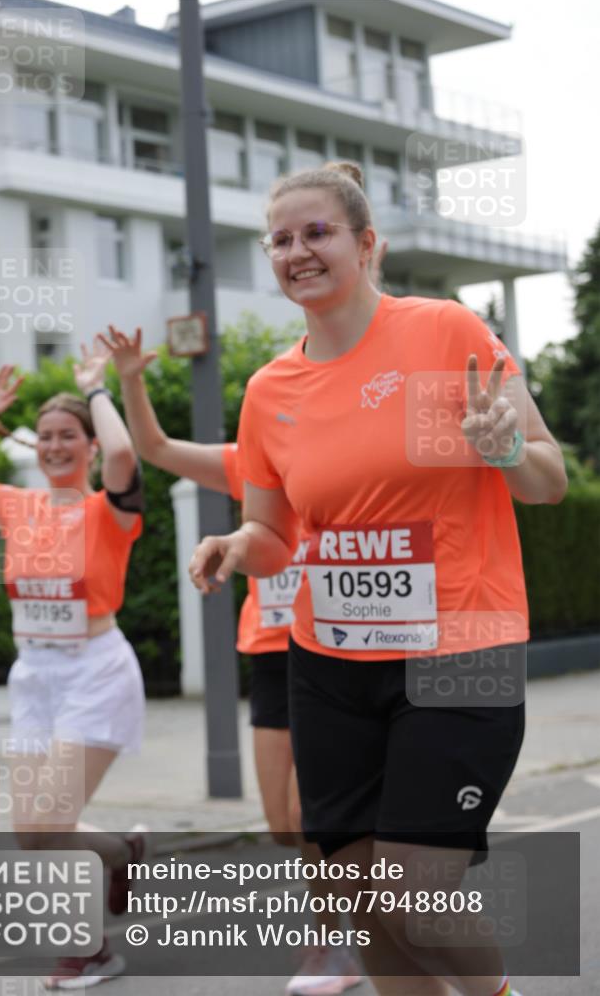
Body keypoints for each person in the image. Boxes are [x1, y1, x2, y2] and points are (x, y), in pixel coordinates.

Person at [189, 161, 567, 996]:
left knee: (417, 890)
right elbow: (273, 534)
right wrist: (232, 545)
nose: (297, 252)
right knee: (350, 889)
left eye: (317, 232)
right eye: (280, 240)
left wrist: (502, 447)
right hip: (329, 661)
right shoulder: (268, 390)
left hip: (459, 649)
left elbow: (547, 479)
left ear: (365, 244)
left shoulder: (444, 332)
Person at [100, 324, 363, 996]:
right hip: (270, 654)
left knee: (312, 815)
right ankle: (365, 901)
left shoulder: (347, 460)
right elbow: (154, 448)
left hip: (331, 648)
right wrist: (129, 375)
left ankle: (331, 943)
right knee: (281, 825)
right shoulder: (247, 459)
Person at [0, 342, 148, 990]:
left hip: (96, 673)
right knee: (33, 834)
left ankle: (89, 952)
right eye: (47, 437)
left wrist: (96, 389)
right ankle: (124, 853)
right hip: (34, 677)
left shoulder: (107, 511)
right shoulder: (17, 508)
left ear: (85, 445)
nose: (55, 447)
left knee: (49, 826)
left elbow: (122, 456)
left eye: (68, 437)